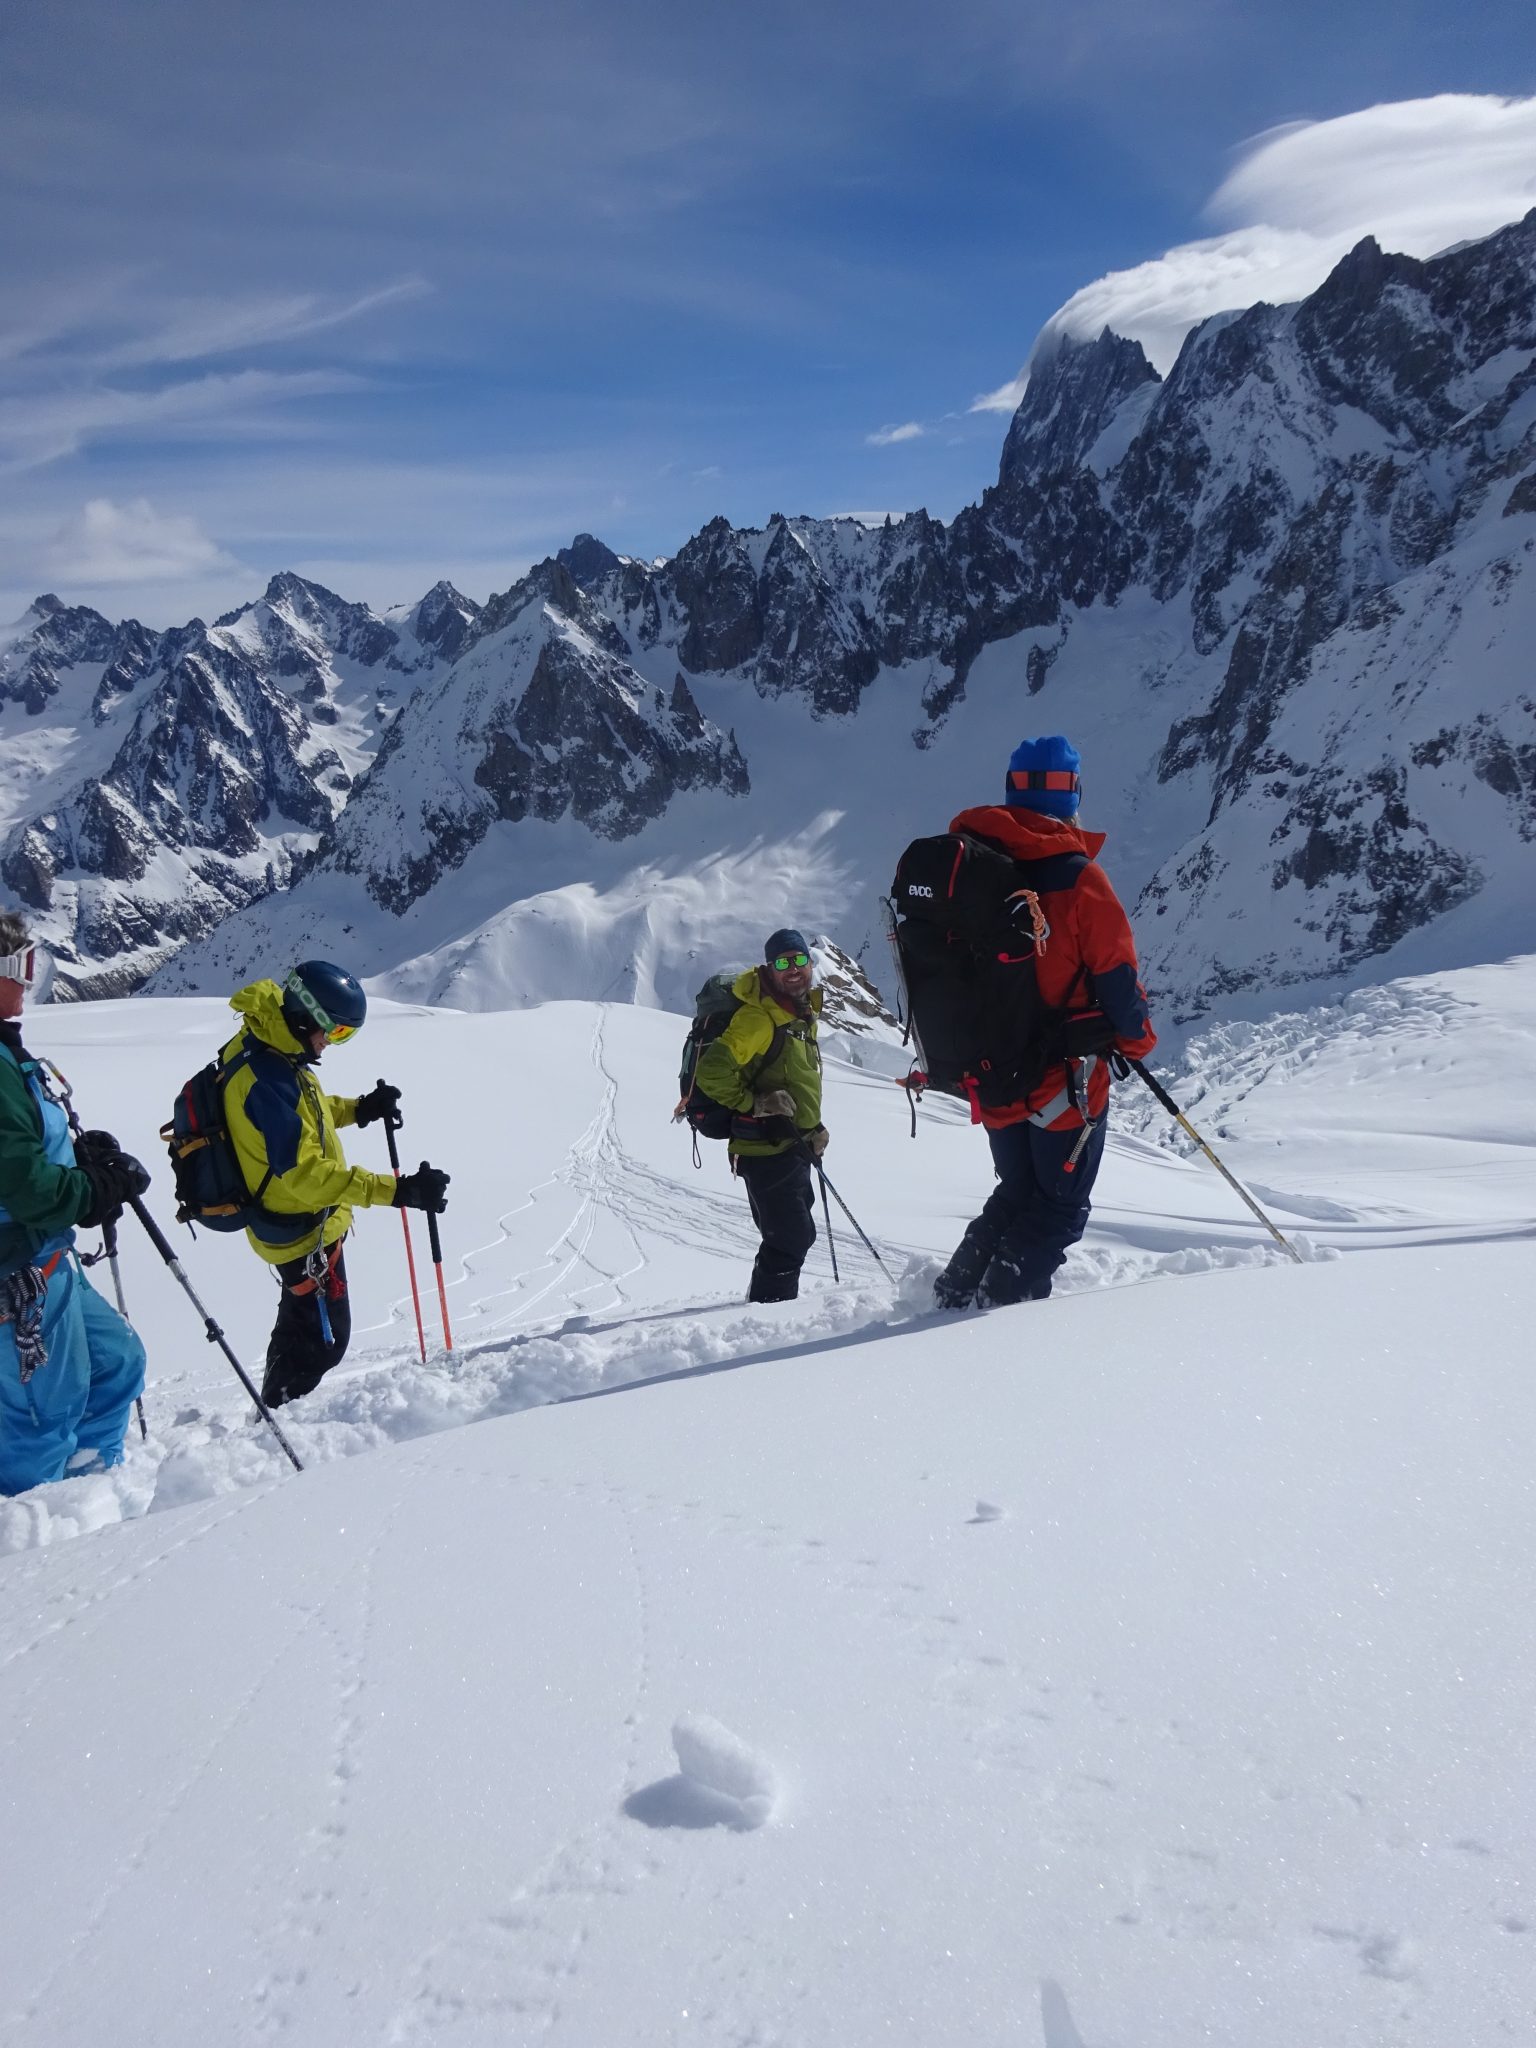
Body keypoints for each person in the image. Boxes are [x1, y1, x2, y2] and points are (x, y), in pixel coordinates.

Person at [933, 737, 1157, 1311]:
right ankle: (1002, 1313)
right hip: (1066, 1083)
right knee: (1057, 1208)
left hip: (992, 1074)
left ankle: (954, 1293)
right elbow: (1117, 977)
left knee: (1018, 1191)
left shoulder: (972, 866)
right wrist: (1136, 1043)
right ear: (1074, 794)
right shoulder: (1081, 880)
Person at [217, 961, 449, 1408]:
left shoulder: (270, 1045)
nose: (331, 1043)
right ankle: (282, 1415)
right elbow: (304, 1176)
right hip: (301, 1229)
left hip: (297, 1220)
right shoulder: (269, 1077)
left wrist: (359, 1109)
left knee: (299, 1325)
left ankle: (275, 1405)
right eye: (335, 1031)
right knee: (325, 1342)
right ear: (306, 1017)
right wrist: (398, 1191)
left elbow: (308, 1112)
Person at [0, 910, 150, 1493]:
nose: (29, 981)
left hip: (47, 1255)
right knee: (42, 1418)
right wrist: (96, 1188)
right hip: (19, 1269)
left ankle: (88, 1494)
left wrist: (77, 1155)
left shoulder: (9, 1055)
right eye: (21, 967)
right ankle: (41, 1543)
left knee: (117, 1364)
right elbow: (28, 1189)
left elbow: (22, 1153)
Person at [693, 928, 830, 1303]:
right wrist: (754, 1104)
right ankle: (768, 1318)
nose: (793, 969)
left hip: (792, 1144)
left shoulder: (799, 1012)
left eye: (799, 960)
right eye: (782, 962)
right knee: (790, 1239)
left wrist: (813, 1127)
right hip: (764, 1149)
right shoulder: (759, 1019)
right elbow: (712, 1072)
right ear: (769, 969)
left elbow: (795, 1079)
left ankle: (765, 1311)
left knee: (793, 1236)